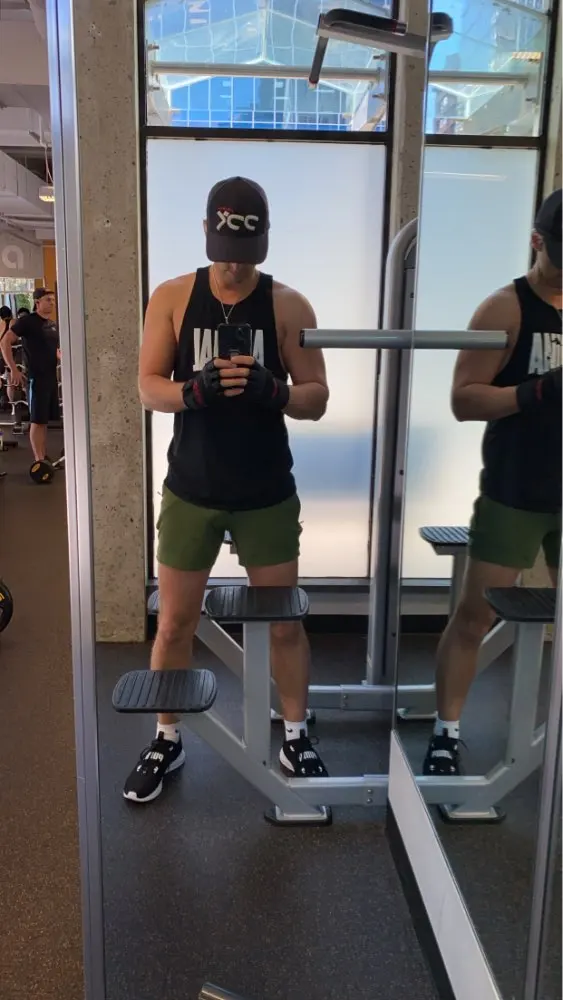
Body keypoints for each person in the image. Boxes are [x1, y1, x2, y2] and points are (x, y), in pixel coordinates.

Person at [124, 176, 330, 803]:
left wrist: (275, 391)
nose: (235, 266)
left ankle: (295, 733)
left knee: (285, 624)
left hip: (266, 490)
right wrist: (193, 391)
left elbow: (317, 398)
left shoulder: (289, 306)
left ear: (263, 241)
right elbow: (147, 385)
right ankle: (166, 737)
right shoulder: (172, 297)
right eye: (225, 252)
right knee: (174, 622)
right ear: (206, 235)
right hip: (192, 488)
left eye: (246, 253)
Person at [424, 189, 562, 777]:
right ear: (537, 242)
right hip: (515, 490)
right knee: (476, 616)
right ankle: (446, 731)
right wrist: (538, 391)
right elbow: (463, 401)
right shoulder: (504, 309)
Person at [0, 288, 60, 464]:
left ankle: (42, 456)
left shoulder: (52, 324)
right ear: (37, 302)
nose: (52, 303)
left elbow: (52, 350)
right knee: (37, 420)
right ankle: (38, 460)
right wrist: (13, 369)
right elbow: (5, 342)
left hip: (50, 377)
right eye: (48, 300)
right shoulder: (27, 321)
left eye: (53, 300)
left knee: (43, 421)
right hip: (35, 377)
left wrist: (59, 356)